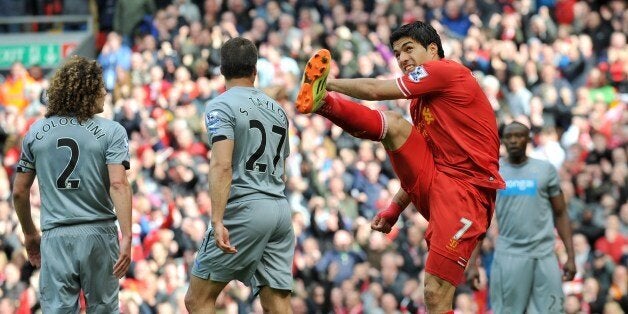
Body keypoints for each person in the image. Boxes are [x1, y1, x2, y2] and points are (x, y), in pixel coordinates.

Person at [294, 21, 505, 313]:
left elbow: (375, 89)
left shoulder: (446, 71)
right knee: (393, 125)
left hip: (467, 194)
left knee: (434, 291)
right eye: (397, 54)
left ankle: (322, 94)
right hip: (438, 181)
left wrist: (327, 81)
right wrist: (393, 208)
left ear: (432, 50)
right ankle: (323, 103)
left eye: (409, 49)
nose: (403, 58)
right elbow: (426, 160)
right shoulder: (419, 104)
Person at [13, 56, 132, 313]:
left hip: (56, 236)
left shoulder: (36, 131)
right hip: (99, 232)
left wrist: (30, 232)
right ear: (87, 89)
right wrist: (128, 234)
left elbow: (20, 191)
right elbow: (119, 185)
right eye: (100, 85)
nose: (105, 91)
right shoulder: (112, 131)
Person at [184, 37, 294, 313]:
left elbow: (222, 165)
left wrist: (217, 219)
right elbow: (283, 172)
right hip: (280, 211)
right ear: (254, 71)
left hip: (245, 208)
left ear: (222, 70)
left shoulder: (221, 106)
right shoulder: (278, 111)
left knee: (197, 300)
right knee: (277, 302)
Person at [472, 121, 576, 313]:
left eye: (518, 136)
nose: (513, 140)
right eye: (509, 136)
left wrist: (570, 256)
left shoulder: (545, 170)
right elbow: (481, 219)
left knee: (553, 309)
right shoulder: (494, 172)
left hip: (543, 254)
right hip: (509, 255)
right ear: (502, 140)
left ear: (528, 139)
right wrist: (472, 262)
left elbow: (561, 213)